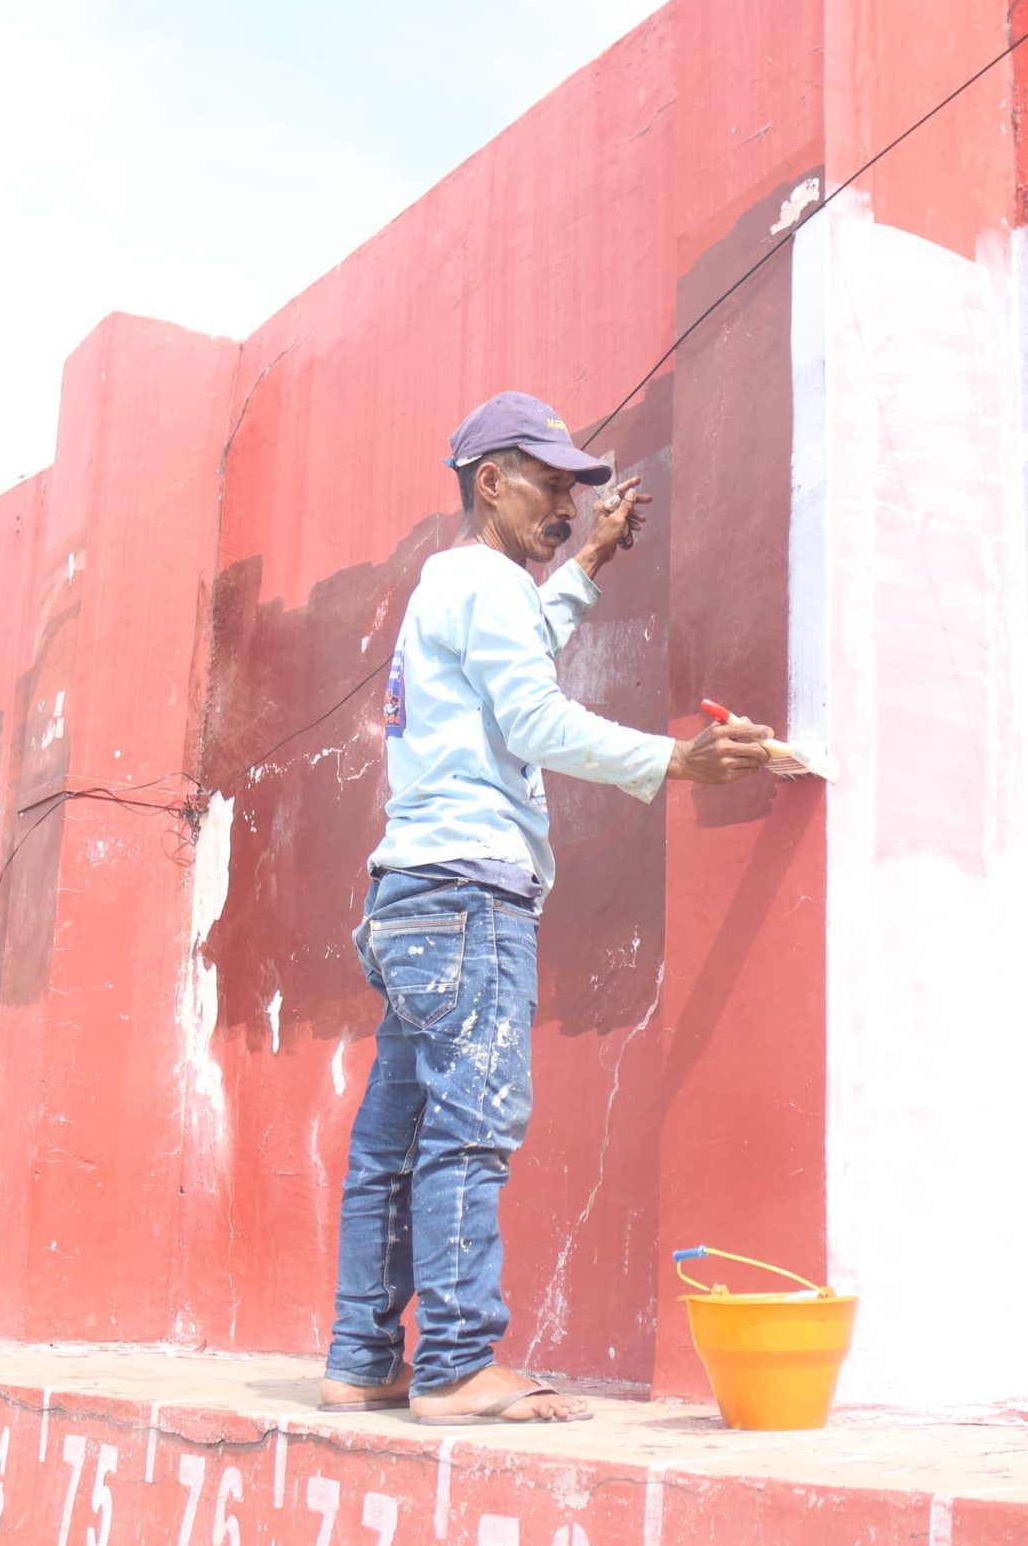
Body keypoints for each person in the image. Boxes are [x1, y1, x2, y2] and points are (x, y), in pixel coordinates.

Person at [318, 390, 776, 1426]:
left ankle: (362, 1358)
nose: (567, 505)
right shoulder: (485, 583)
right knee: (471, 1128)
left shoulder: (460, 586)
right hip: (473, 894)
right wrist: (675, 761)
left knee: (394, 1140)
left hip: (411, 896)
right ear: (491, 482)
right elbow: (529, 715)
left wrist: (589, 569)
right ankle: (456, 1365)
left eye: (577, 490)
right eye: (550, 485)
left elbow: (512, 655)